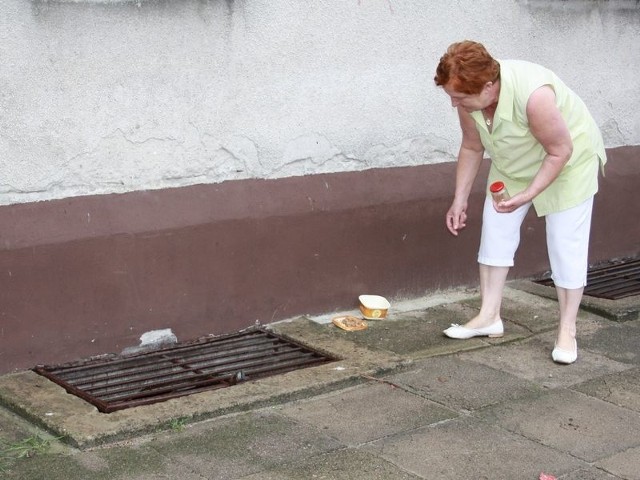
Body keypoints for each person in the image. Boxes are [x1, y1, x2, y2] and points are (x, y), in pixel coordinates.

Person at [434, 40, 606, 364]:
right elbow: (472, 147)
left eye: (459, 97)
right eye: (451, 96)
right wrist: (459, 200)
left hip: (568, 162)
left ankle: (567, 330)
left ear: (488, 86)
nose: (454, 103)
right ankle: (488, 316)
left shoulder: (534, 95)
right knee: (496, 230)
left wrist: (528, 195)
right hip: (515, 163)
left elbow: (560, 151)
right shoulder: (469, 103)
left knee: (564, 242)